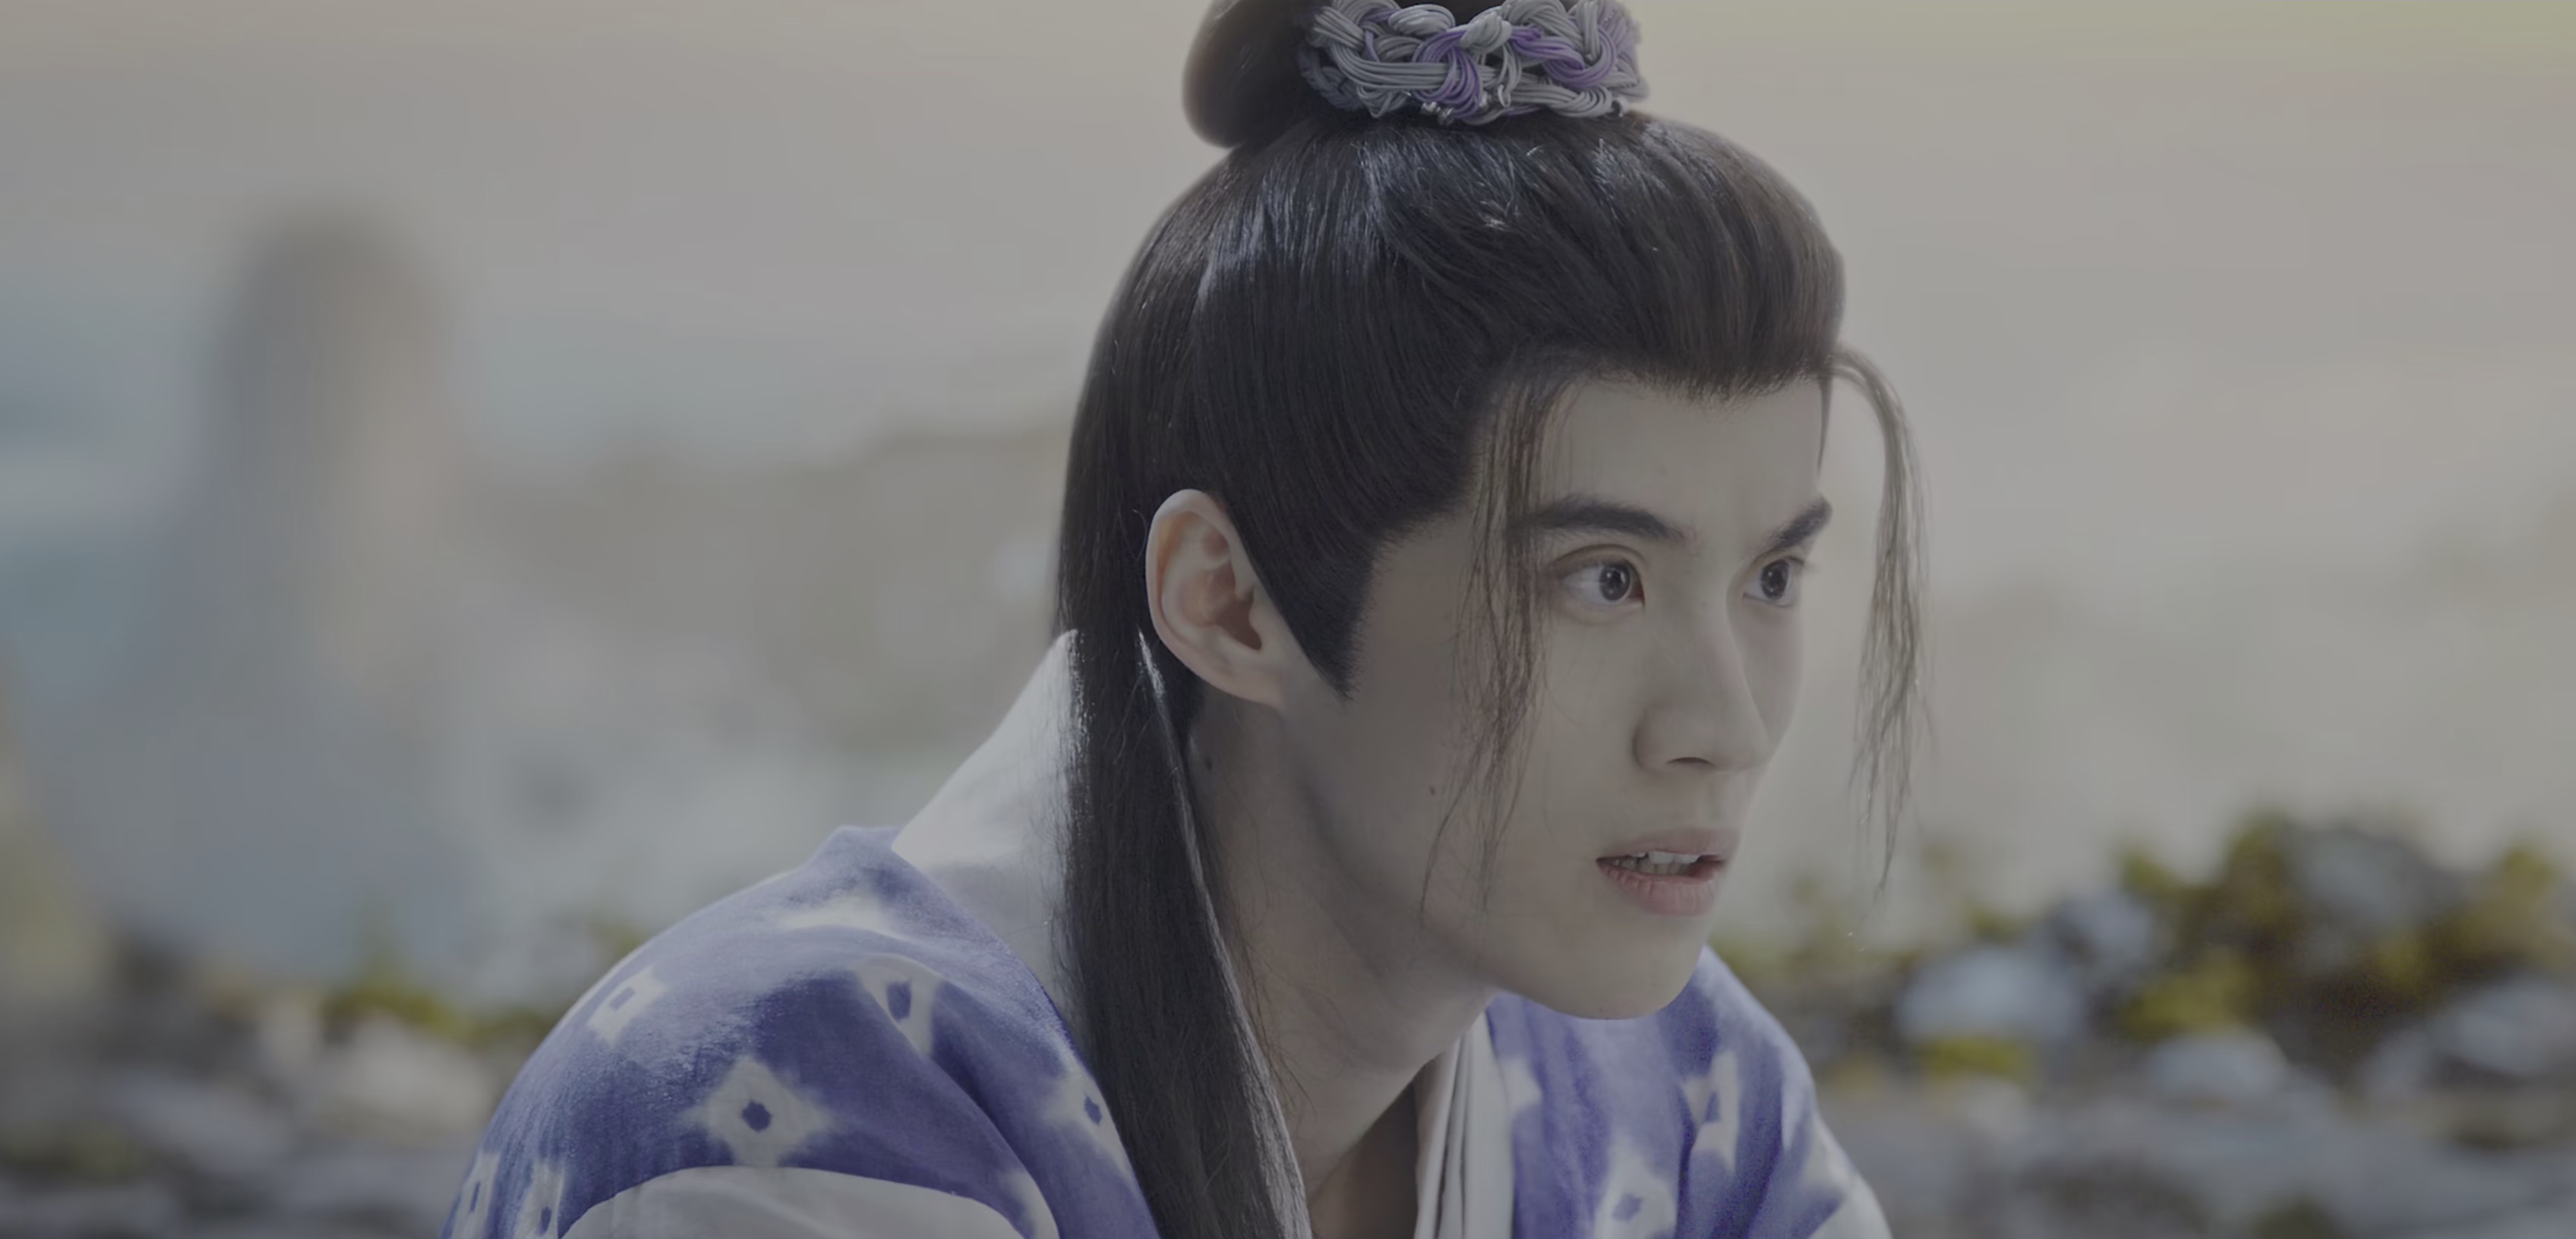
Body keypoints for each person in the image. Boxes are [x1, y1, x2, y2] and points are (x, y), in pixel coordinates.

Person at [444, 0, 1922, 1235]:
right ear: (1230, 602)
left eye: (1771, 579)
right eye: (1604, 580)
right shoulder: (792, 1125)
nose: (1725, 725)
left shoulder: (1685, 1098)